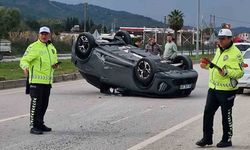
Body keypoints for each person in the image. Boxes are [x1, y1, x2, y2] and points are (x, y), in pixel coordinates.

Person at [196, 28, 244, 148]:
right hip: (213, 88)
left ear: (230, 39)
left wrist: (227, 72)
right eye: (219, 38)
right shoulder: (219, 50)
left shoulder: (236, 53)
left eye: (223, 39)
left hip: (227, 91)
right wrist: (206, 66)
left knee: (226, 114)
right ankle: (207, 138)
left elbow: (240, 72)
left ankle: (227, 139)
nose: (220, 41)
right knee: (207, 113)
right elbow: (215, 67)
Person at [20, 26, 59, 135]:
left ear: (49, 35)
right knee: (36, 104)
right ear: (39, 35)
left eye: (46, 34)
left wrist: (55, 65)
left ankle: (40, 123)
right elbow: (24, 60)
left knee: (44, 104)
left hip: (47, 82)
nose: (44, 36)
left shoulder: (51, 48)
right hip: (36, 82)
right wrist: (25, 67)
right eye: (42, 34)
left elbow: (53, 61)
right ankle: (33, 126)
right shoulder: (33, 47)